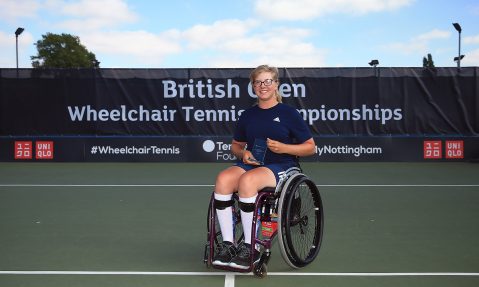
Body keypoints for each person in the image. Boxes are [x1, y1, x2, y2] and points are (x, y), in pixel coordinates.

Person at [212, 64, 316, 269]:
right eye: (258, 82)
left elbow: (311, 148)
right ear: (253, 86)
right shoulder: (248, 115)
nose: (263, 86)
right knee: (223, 179)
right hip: (253, 163)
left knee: (247, 181)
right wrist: (244, 154)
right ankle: (228, 244)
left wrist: (284, 147)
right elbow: (236, 146)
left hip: (282, 165)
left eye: (268, 81)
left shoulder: (289, 113)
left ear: (276, 84)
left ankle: (250, 248)